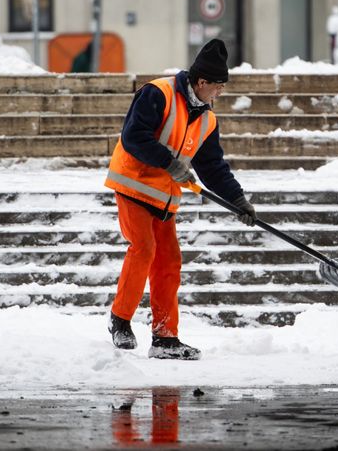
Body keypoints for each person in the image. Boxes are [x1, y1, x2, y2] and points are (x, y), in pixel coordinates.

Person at [103, 38, 255, 359]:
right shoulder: (158, 93)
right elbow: (133, 136)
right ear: (202, 82)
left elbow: (212, 166)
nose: (220, 93)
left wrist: (238, 201)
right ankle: (120, 321)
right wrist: (170, 163)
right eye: (218, 87)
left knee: (169, 262)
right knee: (143, 250)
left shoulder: (207, 119)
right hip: (133, 184)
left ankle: (165, 338)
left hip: (164, 196)